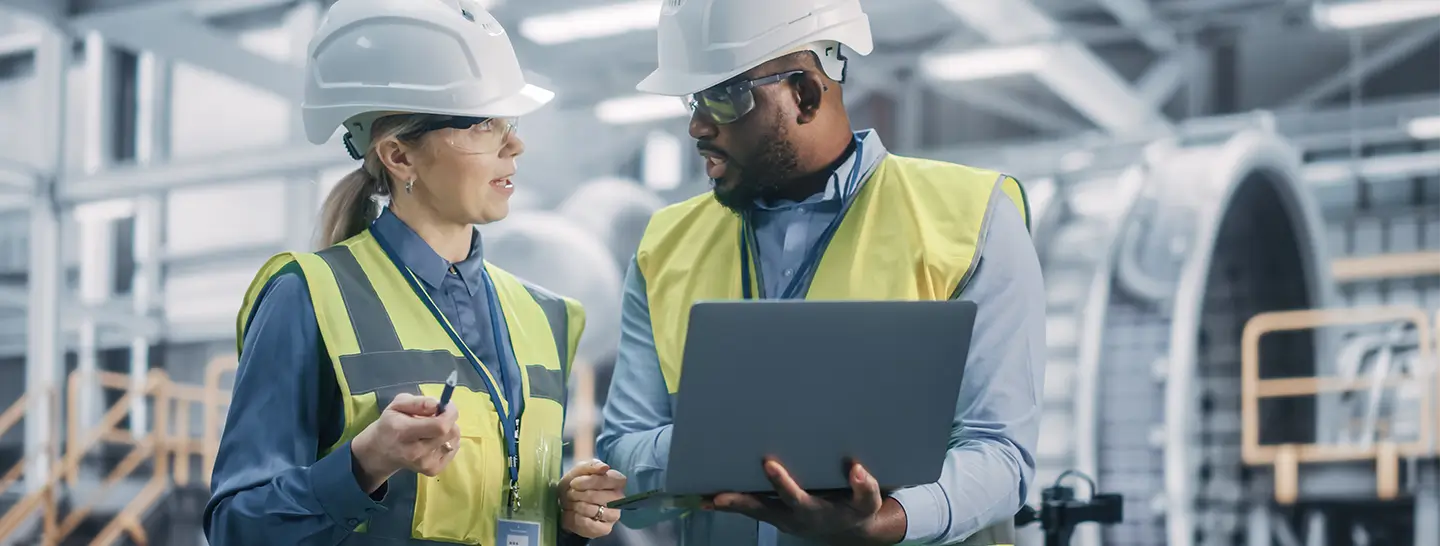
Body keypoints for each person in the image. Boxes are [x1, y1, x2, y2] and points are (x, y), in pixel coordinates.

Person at [596, 0, 1046, 545]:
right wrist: (736, 447)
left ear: (805, 94)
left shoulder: (972, 219)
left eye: (722, 96)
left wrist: (891, 520)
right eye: (693, 99)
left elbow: (1001, 453)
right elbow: (624, 454)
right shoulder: (665, 245)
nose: (696, 125)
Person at [204, 1, 626, 544]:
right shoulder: (306, 297)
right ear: (399, 157)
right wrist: (364, 464)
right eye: (482, 124)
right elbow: (237, 528)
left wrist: (562, 513)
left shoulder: (545, 315)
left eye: (510, 122)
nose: (514, 144)